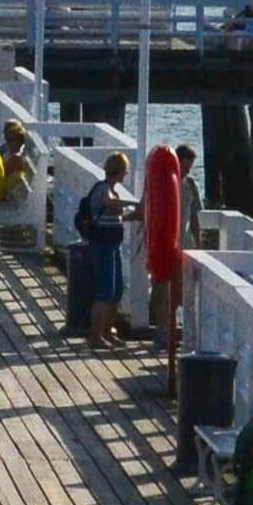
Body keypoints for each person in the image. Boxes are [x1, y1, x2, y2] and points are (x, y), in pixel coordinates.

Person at [73, 150, 134, 344]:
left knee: (116, 290)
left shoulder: (111, 189)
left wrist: (140, 212)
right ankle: (96, 335)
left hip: (113, 243)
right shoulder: (103, 189)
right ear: (120, 171)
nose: (126, 174)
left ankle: (107, 331)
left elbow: (117, 216)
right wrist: (134, 203)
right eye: (125, 171)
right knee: (105, 290)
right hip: (102, 244)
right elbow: (108, 202)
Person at [140, 145, 189, 365]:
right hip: (163, 245)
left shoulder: (189, 185)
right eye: (185, 166)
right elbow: (146, 207)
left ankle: (172, 328)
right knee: (161, 289)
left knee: (179, 293)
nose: (186, 171)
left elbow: (194, 214)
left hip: (184, 246)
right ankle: (162, 331)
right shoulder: (160, 181)